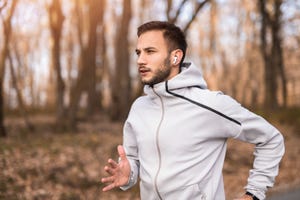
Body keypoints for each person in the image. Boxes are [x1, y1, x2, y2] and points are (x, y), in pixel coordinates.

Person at [101, 21, 285, 200]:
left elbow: (271, 139)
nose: (140, 60)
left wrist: (253, 193)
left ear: (176, 57)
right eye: (138, 52)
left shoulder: (210, 104)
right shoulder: (139, 108)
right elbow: (133, 159)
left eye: (150, 51)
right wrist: (128, 175)